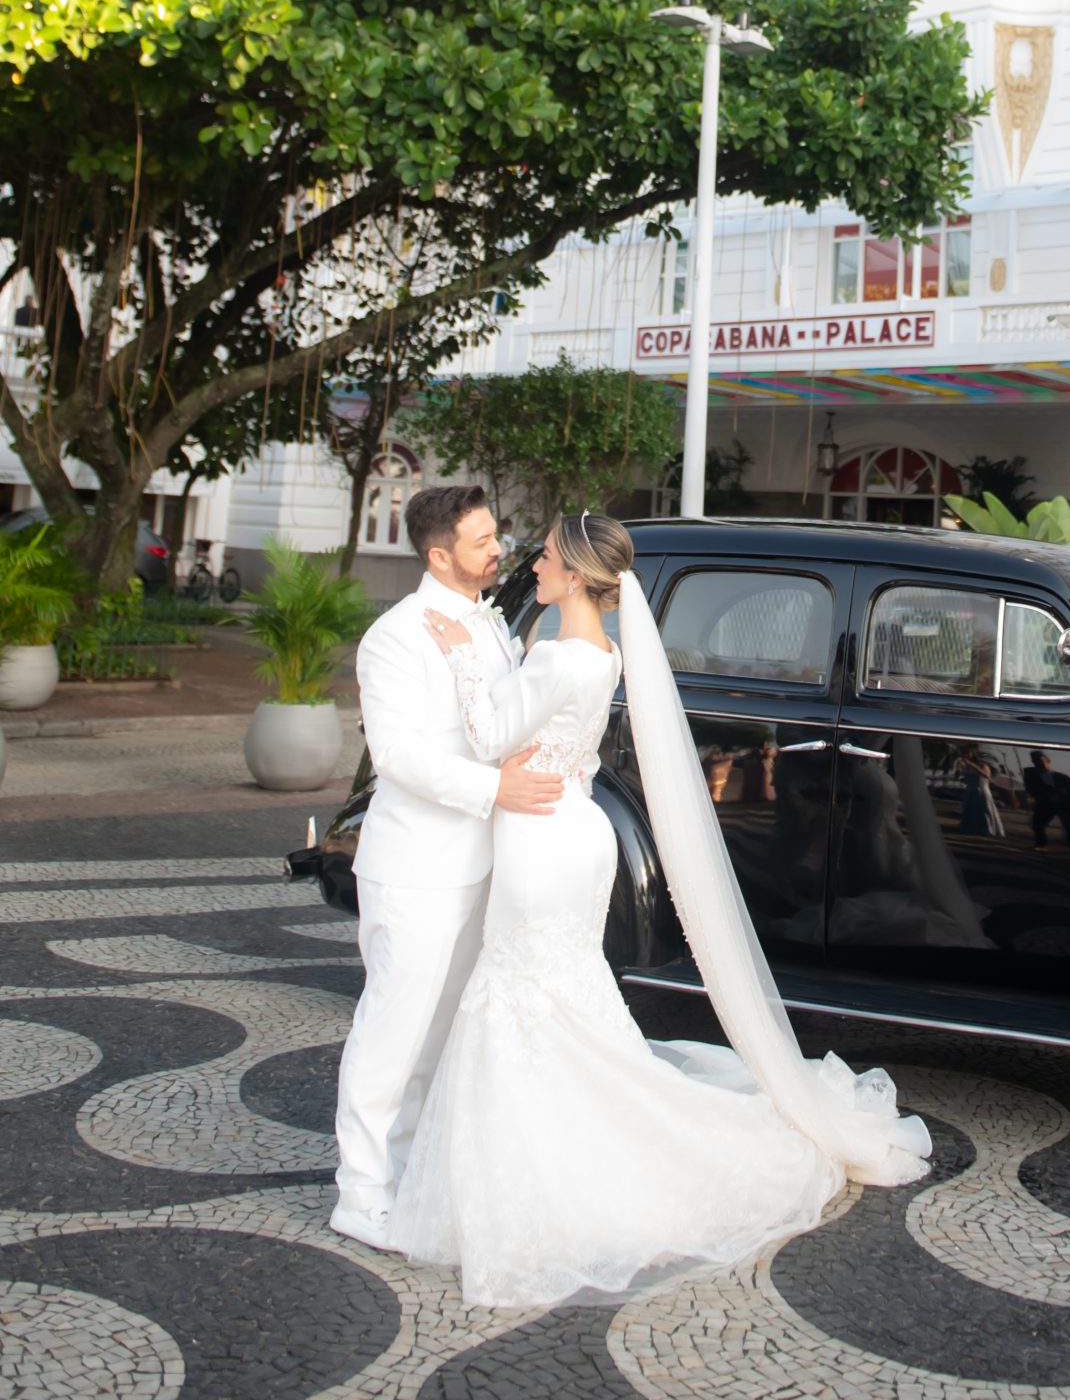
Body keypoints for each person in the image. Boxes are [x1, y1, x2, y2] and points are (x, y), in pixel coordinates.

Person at [390, 511, 930, 1308]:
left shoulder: (556, 653)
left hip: (540, 840)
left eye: (543, 558)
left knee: (521, 997)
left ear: (575, 574)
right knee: (563, 995)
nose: (531, 566)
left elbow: (488, 737)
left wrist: (459, 656)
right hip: (574, 828)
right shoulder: (600, 651)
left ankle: (542, 1170)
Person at [330, 484, 565, 1254]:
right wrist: (495, 786)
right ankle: (360, 1194)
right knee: (392, 1031)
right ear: (439, 556)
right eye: (481, 541)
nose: (498, 549)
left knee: (440, 1034)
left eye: (495, 534)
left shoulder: (489, 625)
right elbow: (396, 757)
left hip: (484, 860)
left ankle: (411, 1174)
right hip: (417, 866)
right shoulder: (393, 638)